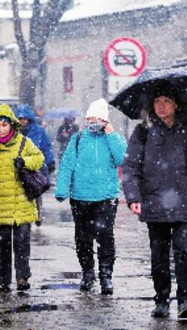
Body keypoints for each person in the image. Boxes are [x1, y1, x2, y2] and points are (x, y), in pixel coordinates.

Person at [122, 90, 187, 320]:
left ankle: (185, 301)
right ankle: (161, 299)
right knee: (159, 255)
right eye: (156, 101)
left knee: (183, 252)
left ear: (176, 105)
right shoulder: (143, 131)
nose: (160, 106)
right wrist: (134, 197)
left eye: (166, 101)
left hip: (183, 201)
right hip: (154, 200)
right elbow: (131, 166)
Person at [55, 99, 127, 295]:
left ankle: (106, 276)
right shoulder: (78, 138)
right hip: (81, 197)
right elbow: (67, 164)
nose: (92, 122)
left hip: (106, 197)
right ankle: (88, 272)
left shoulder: (114, 138)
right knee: (82, 238)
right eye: (89, 118)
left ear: (104, 120)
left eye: (96, 118)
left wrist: (111, 133)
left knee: (105, 238)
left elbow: (122, 159)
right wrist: (62, 189)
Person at [0, 104, 44, 292]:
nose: (1, 129)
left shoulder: (23, 142)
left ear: (11, 125)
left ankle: (22, 277)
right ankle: (4, 280)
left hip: (22, 203)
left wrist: (25, 162)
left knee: (22, 243)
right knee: (1, 245)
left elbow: (39, 158)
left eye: (5, 125)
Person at [16, 104, 56, 226]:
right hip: (19, 166)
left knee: (36, 190)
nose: (22, 121)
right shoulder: (14, 132)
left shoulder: (38, 131)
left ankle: (38, 214)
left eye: (24, 118)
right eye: (20, 119)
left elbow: (46, 146)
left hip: (35, 166)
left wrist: (50, 162)